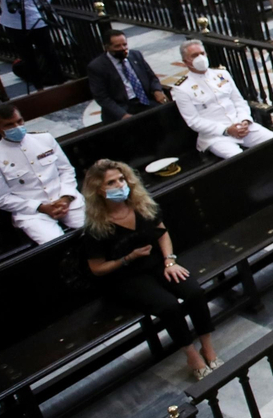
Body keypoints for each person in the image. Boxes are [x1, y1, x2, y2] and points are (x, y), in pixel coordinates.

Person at [81, 160, 221, 379]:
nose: (120, 185)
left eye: (121, 179)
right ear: (99, 190)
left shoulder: (141, 205)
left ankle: (207, 347)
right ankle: (191, 354)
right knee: (169, 306)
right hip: (126, 276)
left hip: (156, 263)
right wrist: (127, 258)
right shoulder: (95, 226)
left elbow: (162, 233)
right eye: (111, 182)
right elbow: (97, 268)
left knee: (194, 291)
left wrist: (170, 261)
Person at [0, 105, 86, 244]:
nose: (17, 126)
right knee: (56, 244)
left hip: (65, 200)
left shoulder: (44, 139)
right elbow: (0, 198)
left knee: (94, 229)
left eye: (19, 121)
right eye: (9, 125)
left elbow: (66, 170)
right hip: (33, 213)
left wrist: (66, 197)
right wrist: (40, 207)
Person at [173, 40, 273, 158]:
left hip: (241, 126)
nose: (200, 58)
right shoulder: (182, 88)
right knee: (239, 158)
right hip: (216, 136)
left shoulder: (222, 74)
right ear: (185, 61)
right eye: (195, 55)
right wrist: (226, 130)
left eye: (202, 53)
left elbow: (239, 101)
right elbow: (194, 121)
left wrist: (244, 120)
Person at [88, 30, 168, 124]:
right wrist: (122, 114)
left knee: (168, 112)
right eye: (117, 46)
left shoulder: (135, 55)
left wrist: (157, 90)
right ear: (107, 47)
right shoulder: (97, 67)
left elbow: (151, 77)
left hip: (144, 100)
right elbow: (102, 97)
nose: (123, 48)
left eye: (124, 45)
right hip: (122, 107)